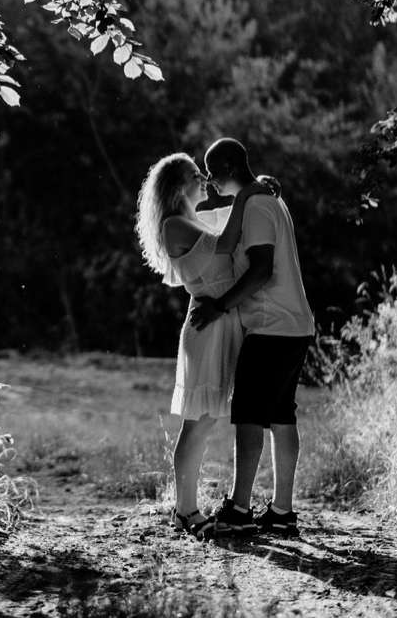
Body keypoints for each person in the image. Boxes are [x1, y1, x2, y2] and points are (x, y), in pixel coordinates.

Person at [135, 153, 273, 536]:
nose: (203, 179)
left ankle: (187, 508)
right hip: (206, 328)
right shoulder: (174, 225)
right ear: (178, 186)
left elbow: (230, 223)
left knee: (206, 419)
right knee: (197, 422)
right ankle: (184, 511)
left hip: (222, 322)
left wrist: (254, 194)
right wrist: (247, 194)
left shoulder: (195, 219)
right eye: (195, 175)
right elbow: (227, 243)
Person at [190, 138, 315, 538]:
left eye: (212, 172)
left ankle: (240, 510)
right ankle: (281, 512)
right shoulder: (266, 200)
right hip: (294, 324)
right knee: (280, 416)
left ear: (228, 167)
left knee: (248, 415)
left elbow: (261, 270)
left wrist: (220, 306)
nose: (210, 180)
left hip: (270, 325)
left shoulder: (258, 205)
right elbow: (212, 220)